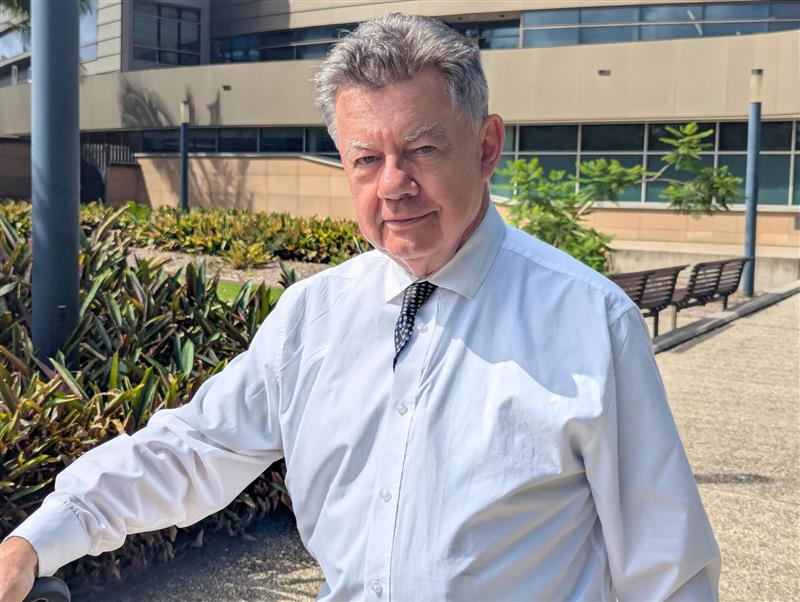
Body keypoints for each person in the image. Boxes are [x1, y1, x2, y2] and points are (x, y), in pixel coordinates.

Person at [1, 13, 720, 601]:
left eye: (423, 149)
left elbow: (666, 571)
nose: (394, 185)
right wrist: (42, 535)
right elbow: (196, 447)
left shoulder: (590, 323)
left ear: (487, 145)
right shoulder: (313, 317)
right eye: (366, 159)